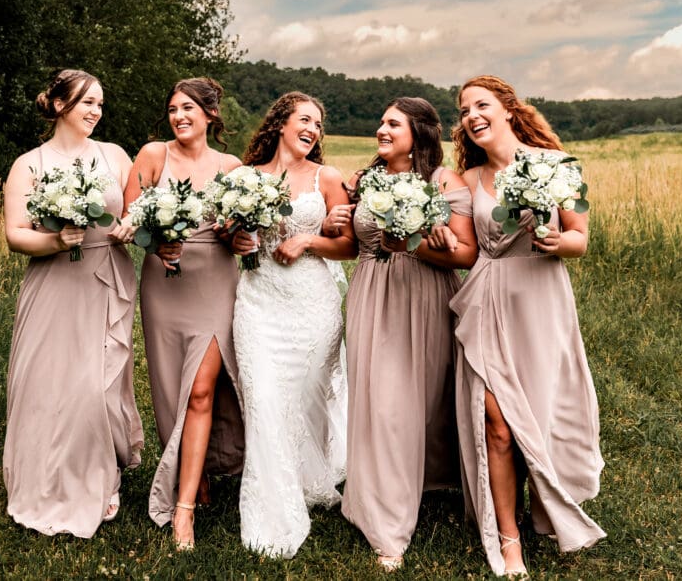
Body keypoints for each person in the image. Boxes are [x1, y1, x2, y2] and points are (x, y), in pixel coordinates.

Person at [449, 75, 605, 576]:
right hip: (488, 302)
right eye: (464, 109)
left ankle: (549, 507)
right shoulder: (467, 181)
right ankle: (507, 538)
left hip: (541, 303)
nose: (472, 115)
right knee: (495, 423)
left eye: (482, 104)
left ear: (509, 109)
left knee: (537, 417)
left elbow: (581, 235)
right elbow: (465, 249)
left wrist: (561, 243)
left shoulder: (559, 166)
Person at [325, 97, 477, 571]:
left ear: (419, 132)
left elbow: (467, 254)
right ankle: (386, 521)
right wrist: (335, 223)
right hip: (372, 296)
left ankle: (429, 483)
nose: (381, 129)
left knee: (423, 402)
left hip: (426, 296)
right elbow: (352, 247)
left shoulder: (442, 182)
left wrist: (413, 244)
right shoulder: (365, 180)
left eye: (393, 123)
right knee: (382, 404)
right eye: (381, 122)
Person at [1, 69, 142, 538]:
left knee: (94, 385)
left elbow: (139, 213)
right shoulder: (29, 164)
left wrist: (131, 227)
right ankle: (41, 479)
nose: (96, 111)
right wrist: (56, 241)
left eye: (100, 103)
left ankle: (101, 477)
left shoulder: (116, 156)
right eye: (87, 102)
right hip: (53, 284)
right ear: (60, 104)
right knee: (44, 383)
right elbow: (16, 235)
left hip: (103, 279)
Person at [227, 91, 356, 559]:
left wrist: (307, 239)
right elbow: (229, 239)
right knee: (263, 398)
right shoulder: (243, 178)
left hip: (312, 304)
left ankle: (309, 478)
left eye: (319, 124)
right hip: (258, 302)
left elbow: (350, 247)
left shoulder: (328, 178)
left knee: (306, 399)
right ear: (281, 123)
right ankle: (271, 512)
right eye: (305, 119)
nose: (313, 130)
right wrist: (239, 239)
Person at [124, 77, 245, 551]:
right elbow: (129, 223)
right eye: (173, 109)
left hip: (215, 282)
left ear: (211, 115)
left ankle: (184, 510)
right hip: (164, 283)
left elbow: (240, 233)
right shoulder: (153, 156)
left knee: (200, 390)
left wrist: (243, 239)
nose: (179, 117)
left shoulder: (231, 167)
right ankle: (196, 476)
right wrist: (157, 241)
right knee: (170, 389)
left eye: (189, 108)